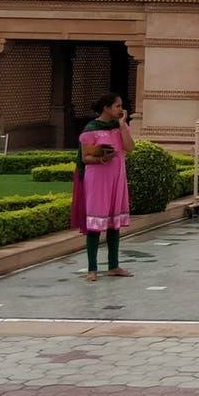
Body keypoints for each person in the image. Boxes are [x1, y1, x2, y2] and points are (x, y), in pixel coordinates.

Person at [73, 93, 134, 282]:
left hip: (117, 178)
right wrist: (102, 158)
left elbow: (130, 148)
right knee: (95, 224)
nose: (120, 110)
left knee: (114, 223)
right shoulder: (91, 129)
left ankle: (113, 265)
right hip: (97, 180)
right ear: (106, 108)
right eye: (117, 106)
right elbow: (85, 158)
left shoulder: (119, 127)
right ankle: (92, 269)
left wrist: (123, 126)